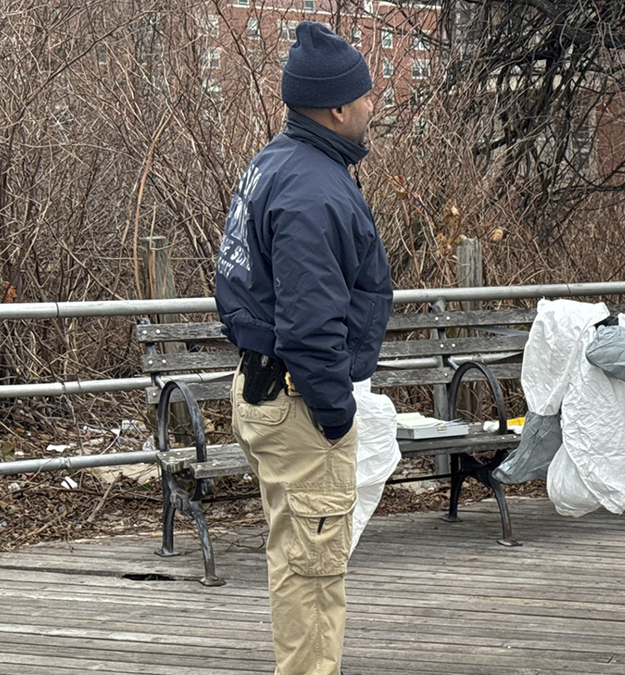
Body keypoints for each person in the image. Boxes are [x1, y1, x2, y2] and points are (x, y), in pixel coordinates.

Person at [214, 22, 392, 675]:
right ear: (337, 108)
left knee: (297, 557)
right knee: (314, 575)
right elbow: (311, 320)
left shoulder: (275, 162)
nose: (375, 104)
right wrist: (336, 410)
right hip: (300, 401)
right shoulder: (313, 188)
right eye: (367, 95)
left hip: (268, 387)